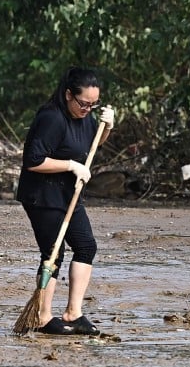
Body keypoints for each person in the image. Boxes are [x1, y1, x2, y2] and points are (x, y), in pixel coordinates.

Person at [17, 67, 116, 335]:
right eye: (84, 103)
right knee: (53, 254)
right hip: (42, 196)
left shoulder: (84, 118)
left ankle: (74, 313)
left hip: (69, 194)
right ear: (68, 95)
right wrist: (71, 165)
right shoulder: (51, 118)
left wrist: (107, 126)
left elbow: (93, 143)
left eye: (93, 105)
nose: (87, 109)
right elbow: (33, 161)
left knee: (86, 246)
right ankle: (42, 316)